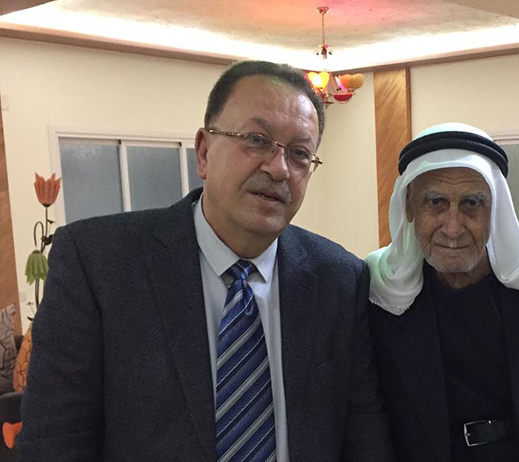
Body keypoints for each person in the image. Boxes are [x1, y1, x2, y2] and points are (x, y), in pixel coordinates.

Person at [18, 61, 393, 462]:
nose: (278, 168)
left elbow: (365, 438)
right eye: (256, 139)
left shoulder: (339, 278)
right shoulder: (99, 264)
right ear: (203, 152)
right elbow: (54, 441)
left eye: (300, 153)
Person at [365, 123, 519, 462]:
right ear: (410, 207)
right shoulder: (378, 289)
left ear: (496, 209)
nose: (453, 227)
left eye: (472, 203)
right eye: (435, 202)